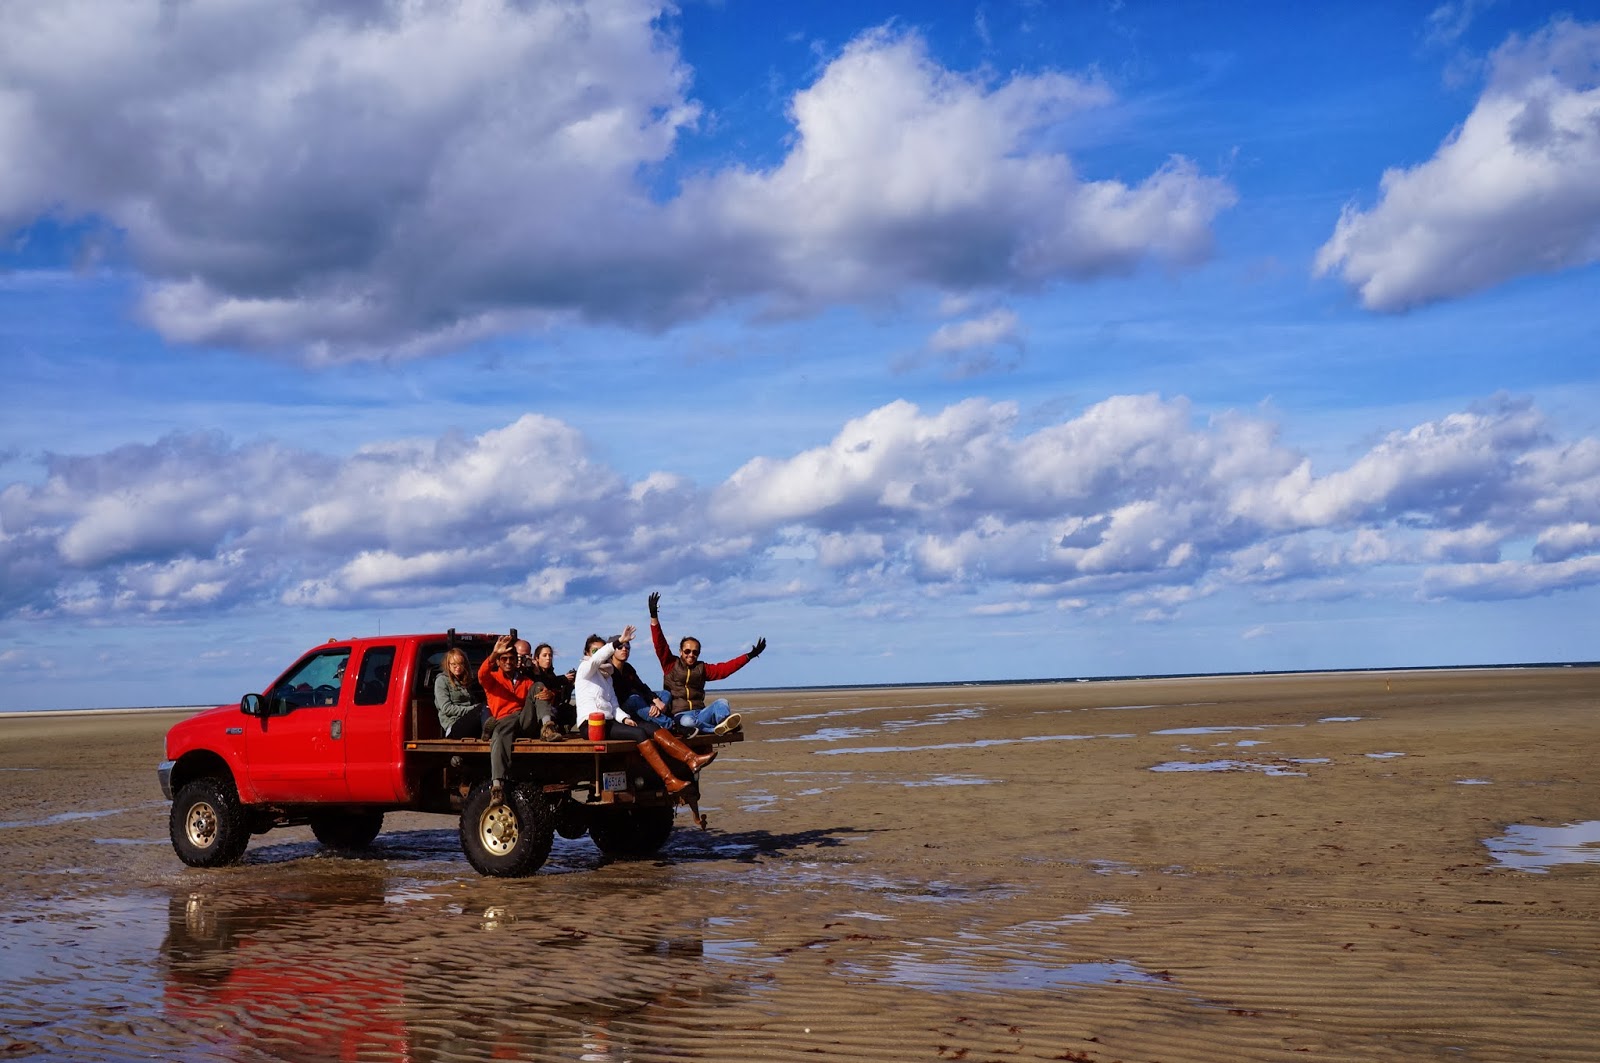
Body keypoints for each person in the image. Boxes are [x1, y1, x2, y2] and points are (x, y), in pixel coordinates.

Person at [575, 626, 713, 795]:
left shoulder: (606, 676)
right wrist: (619, 641)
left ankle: (691, 759)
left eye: (602, 649)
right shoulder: (585, 669)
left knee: (651, 727)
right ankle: (669, 780)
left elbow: (614, 706)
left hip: (610, 721)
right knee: (639, 733)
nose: (600, 654)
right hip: (591, 725)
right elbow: (596, 660)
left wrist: (625, 719)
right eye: (595, 651)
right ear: (587, 653)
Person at [647, 592, 766, 736]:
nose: (691, 654)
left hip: (701, 712)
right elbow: (660, 644)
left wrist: (749, 656)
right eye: (687, 651)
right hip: (680, 715)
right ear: (680, 651)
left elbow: (725, 669)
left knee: (722, 702)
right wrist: (654, 616)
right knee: (688, 722)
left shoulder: (702, 668)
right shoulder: (670, 664)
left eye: (695, 652)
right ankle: (715, 729)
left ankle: (722, 722)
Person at [478, 635, 564, 807]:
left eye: (511, 658)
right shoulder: (492, 678)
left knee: (538, 686)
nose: (508, 662)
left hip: (524, 719)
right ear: (499, 661)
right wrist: (495, 653)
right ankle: (497, 787)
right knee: (498, 736)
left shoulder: (525, 681)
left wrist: (550, 695)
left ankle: (547, 728)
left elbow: (539, 696)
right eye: (504, 659)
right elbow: (481, 674)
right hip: (505, 721)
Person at [434, 647, 487, 739]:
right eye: (454, 664)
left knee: (488, 706)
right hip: (453, 725)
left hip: (469, 721)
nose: (457, 667)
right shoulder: (441, 681)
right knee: (481, 709)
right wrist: (473, 709)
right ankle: (486, 730)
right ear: (448, 665)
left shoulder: (466, 681)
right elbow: (447, 708)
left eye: (460, 664)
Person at [527, 642, 576, 730]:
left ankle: (562, 728)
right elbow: (541, 687)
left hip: (553, 708)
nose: (548, 658)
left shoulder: (551, 674)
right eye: (544, 655)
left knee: (572, 709)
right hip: (537, 711)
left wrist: (569, 685)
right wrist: (562, 679)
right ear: (537, 658)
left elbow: (559, 697)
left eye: (550, 655)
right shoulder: (531, 673)